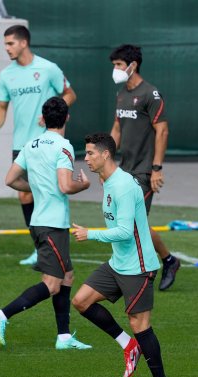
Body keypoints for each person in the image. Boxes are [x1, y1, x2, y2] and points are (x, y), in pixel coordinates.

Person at [71, 132, 173, 377]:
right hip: (118, 264)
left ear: (105, 154)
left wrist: (90, 234)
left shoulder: (124, 186)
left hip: (138, 267)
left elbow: (126, 232)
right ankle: (128, 345)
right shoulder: (107, 181)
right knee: (81, 301)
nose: (86, 158)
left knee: (141, 325)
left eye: (90, 153)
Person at [0, 97, 91, 350]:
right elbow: (66, 186)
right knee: (53, 284)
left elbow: (10, 179)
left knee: (67, 275)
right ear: (67, 118)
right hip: (52, 223)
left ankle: (64, 337)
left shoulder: (30, 144)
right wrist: (84, 185)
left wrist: (34, 186)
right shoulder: (63, 146)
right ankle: (1, 315)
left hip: (40, 221)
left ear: (43, 119)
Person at [0, 25, 77, 266]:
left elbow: (70, 94)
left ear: (23, 42)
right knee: (25, 195)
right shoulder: (6, 75)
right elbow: (2, 106)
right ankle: (40, 248)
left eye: (10, 44)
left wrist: (54, 106)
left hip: (50, 142)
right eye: (5, 44)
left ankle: (58, 247)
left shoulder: (48, 69)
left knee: (52, 191)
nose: (6, 48)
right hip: (22, 144)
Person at [108, 44, 180, 291]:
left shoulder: (151, 93)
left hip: (143, 170)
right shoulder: (121, 95)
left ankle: (156, 264)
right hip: (124, 170)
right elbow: (116, 129)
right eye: (114, 65)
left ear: (132, 65)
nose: (115, 70)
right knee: (128, 221)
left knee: (135, 222)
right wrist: (106, 160)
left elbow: (163, 130)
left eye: (118, 65)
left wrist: (157, 168)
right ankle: (168, 261)